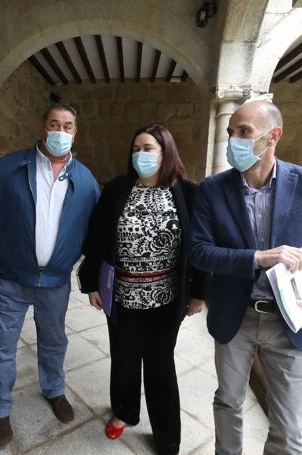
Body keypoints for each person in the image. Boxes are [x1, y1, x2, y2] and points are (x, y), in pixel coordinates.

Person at [190, 100, 302, 454]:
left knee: (289, 429)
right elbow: (198, 251)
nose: (234, 141)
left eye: (244, 132)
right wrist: (257, 257)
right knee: (227, 404)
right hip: (234, 318)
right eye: (231, 133)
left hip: (291, 322)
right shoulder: (212, 188)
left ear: (273, 136)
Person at [0, 103, 99, 448]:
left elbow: (96, 233)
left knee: (54, 342)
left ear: (75, 133)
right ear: (42, 129)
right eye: (54, 124)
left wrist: (96, 276)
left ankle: (54, 390)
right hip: (9, 277)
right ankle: (0, 409)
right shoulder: (8, 168)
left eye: (67, 126)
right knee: (2, 346)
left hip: (54, 282)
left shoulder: (85, 180)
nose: (60, 132)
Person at [77, 124, 209, 455]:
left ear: (166, 153)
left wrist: (198, 293)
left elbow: (201, 246)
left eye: (148, 148)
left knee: (159, 363)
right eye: (136, 148)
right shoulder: (117, 189)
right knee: (123, 358)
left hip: (166, 299)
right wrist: (91, 282)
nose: (141, 154)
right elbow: (97, 237)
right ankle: (124, 412)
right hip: (122, 296)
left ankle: (167, 436)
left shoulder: (188, 192)